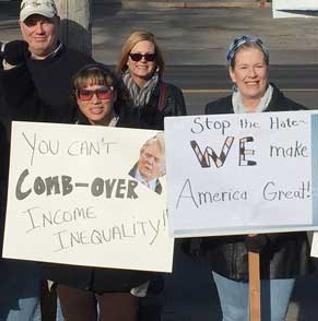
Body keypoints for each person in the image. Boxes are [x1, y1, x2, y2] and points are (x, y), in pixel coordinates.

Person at [1, 62, 159, 321]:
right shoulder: (60, 135)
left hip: (123, 267)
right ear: (77, 97)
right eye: (86, 93)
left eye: (102, 92)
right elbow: (25, 109)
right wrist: (15, 67)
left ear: (114, 94)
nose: (95, 100)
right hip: (72, 266)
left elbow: (156, 196)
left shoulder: (140, 136)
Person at [188, 35, 313, 321]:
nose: (251, 74)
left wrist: (270, 231)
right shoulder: (213, 114)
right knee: (234, 316)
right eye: (243, 67)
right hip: (228, 243)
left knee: (271, 316)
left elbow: (305, 184)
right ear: (232, 73)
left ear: (267, 69)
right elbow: (203, 177)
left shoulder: (296, 116)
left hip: (281, 246)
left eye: (258, 66)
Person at [1, 1, 93, 320]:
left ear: (57, 23)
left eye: (46, 22)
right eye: (31, 23)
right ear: (21, 26)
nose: (38, 30)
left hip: (66, 196)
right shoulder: (9, 65)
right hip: (15, 198)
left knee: (66, 290)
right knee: (22, 293)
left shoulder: (80, 65)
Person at [116, 30, 187, 129]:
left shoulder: (172, 94)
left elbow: (180, 132)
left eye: (149, 56)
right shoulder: (113, 91)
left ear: (156, 61)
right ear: (127, 60)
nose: (143, 60)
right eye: (136, 56)